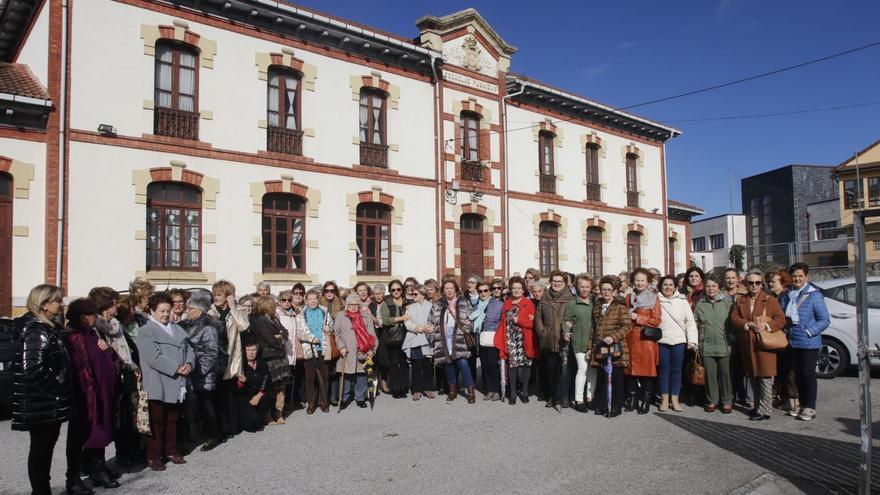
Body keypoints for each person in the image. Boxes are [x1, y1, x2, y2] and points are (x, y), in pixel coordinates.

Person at [12, 285, 77, 495]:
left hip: (49, 402)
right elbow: (33, 369)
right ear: (44, 303)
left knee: (45, 449)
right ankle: (41, 491)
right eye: (57, 300)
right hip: (42, 402)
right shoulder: (36, 329)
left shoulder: (47, 327)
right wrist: (58, 388)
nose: (61, 304)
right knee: (40, 450)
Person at [63, 298, 122, 490]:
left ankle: (98, 468)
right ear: (83, 317)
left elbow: (106, 355)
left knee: (101, 432)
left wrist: (109, 350)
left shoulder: (91, 332)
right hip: (84, 397)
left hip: (102, 394)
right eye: (92, 315)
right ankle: (73, 477)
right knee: (79, 437)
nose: (95, 318)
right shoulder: (72, 337)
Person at [137, 291, 194, 471]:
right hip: (158, 382)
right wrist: (177, 368)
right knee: (157, 421)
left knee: (173, 419)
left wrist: (189, 364)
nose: (166, 314)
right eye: (162, 311)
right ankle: (154, 455)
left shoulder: (177, 328)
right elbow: (153, 357)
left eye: (168, 311)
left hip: (178, 382)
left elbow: (190, 349)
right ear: (152, 311)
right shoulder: (146, 331)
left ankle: (170, 450)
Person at [89, 286, 142, 467]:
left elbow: (126, 350)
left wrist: (132, 366)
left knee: (127, 417)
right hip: (108, 379)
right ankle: (96, 465)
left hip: (125, 374)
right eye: (113, 304)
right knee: (112, 420)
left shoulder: (116, 324)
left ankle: (126, 453)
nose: (117, 307)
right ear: (105, 306)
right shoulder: (95, 326)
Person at [730, 270, 786, 421]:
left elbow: (781, 319)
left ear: (762, 284)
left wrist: (766, 326)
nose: (754, 286)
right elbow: (734, 318)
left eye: (757, 282)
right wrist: (746, 324)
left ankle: (765, 410)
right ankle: (757, 406)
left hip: (764, 344)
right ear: (746, 284)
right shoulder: (741, 300)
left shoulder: (770, 300)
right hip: (748, 344)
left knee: (766, 378)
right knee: (753, 376)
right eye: (751, 283)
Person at [778, 263, 829, 421]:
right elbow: (782, 316)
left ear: (807, 277)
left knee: (808, 374)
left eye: (800, 276)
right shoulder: (787, 294)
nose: (797, 279)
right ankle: (800, 404)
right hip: (792, 341)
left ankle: (810, 407)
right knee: (797, 374)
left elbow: (824, 320)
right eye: (794, 276)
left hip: (808, 342)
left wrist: (809, 331)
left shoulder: (815, 295)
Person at [207, 280, 249, 440]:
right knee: (217, 396)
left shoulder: (237, 311)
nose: (216, 297)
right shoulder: (211, 313)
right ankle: (219, 428)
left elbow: (244, 326)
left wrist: (233, 308)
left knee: (230, 395)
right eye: (215, 294)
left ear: (228, 296)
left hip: (231, 359)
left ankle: (231, 427)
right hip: (216, 360)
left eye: (219, 294)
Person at [180, 291, 220, 451]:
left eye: (190, 308)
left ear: (200, 310)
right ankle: (189, 436)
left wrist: (198, 370)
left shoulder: (208, 329)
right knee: (189, 408)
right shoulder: (184, 325)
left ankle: (212, 436)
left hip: (202, 375)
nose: (186, 311)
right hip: (187, 373)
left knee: (205, 406)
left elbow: (211, 353)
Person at [587, 275, 631, 417]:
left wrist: (613, 337)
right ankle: (602, 404)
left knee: (616, 378)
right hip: (600, 347)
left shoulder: (620, 307)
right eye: (603, 289)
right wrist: (590, 347)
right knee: (602, 378)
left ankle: (616, 406)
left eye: (609, 290)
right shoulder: (597, 307)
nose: (606, 292)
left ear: (614, 291)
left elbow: (627, 326)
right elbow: (593, 329)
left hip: (616, 348)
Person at [656, 275, 698, 412]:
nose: (667, 287)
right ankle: (664, 398)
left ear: (675, 287)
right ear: (660, 287)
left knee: (676, 371)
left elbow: (690, 322)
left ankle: (675, 398)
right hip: (662, 340)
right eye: (665, 285)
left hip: (679, 340)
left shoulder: (682, 301)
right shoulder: (656, 300)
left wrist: (692, 340)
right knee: (663, 370)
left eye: (670, 285)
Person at [431, 279, 477, 403]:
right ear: (443, 291)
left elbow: (471, 319)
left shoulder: (464, 301)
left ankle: (471, 391)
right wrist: (435, 331)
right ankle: (452, 391)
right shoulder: (437, 304)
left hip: (459, 338)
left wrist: (466, 328)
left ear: (456, 289)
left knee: (463, 363)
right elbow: (431, 321)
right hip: (444, 338)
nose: (449, 290)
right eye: (447, 288)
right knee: (448, 364)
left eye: (451, 288)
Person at [694, 275, 734, 414]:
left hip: (724, 343)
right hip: (706, 344)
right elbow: (695, 322)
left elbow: (733, 321)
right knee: (710, 375)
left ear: (719, 287)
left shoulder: (727, 302)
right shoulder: (700, 304)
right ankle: (712, 400)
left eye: (713, 286)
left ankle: (727, 401)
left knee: (725, 374)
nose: (711, 289)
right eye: (708, 286)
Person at [624, 268, 662, 415]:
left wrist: (638, 318)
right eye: (637, 280)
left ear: (647, 282)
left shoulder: (654, 297)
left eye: (642, 280)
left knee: (647, 372)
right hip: (630, 338)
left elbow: (656, 320)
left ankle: (645, 401)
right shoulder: (628, 297)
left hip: (646, 340)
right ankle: (632, 399)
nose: (639, 283)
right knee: (630, 371)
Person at [494, 276, 536, 405]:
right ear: (511, 290)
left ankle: (525, 392)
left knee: (526, 364)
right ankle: (512, 393)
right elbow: (503, 320)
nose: (516, 290)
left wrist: (521, 321)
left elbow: (533, 323)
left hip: (525, 338)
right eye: (514, 288)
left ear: (523, 290)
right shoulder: (507, 302)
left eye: (519, 288)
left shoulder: (529, 303)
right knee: (512, 366)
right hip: (511, 338)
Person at [249, 295, 290, 425]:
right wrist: (279, 338)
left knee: (282, 387)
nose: (275, 306)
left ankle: (279, 412)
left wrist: (280, 336)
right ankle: (267, 415)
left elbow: (285, 332)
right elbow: (270, 339)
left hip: (280, 357)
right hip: (269, 357)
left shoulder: (274, 319)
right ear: (267, 306)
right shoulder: (260, 320)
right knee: (270, 387)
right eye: (273, 304)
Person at [535, 270, 572, 408]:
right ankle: (552, 396)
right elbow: (538, 316)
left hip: (563, 340)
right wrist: (542, 331)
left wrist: (569, 329)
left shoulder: (570, 298)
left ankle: (564, 396)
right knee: (550, 371)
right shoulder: (545, 297)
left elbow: (573, 317)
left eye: (559, 281)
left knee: (564, 372)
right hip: (548, 339)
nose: (556, 284)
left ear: (564, 283)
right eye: (554, 281)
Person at [335, 294, 378, 408]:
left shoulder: (366, 316)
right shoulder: (340, 316)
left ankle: (360, 398)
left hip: (362, 350)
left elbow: (372, 335)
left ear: (359, 305)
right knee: (347, 376)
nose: (354, 307)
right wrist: (341, 347)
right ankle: (344, 398)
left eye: (356, 305)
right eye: (351, 305)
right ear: (347, 305)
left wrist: (371, 349)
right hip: (347, 351)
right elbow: (336, 334)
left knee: (362, 375)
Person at [296, 289, 334, 413]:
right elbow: (300, 332)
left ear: (318, 299)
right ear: (306, 301)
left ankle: (324, 401)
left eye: (315, 298)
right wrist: (311, 338)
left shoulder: (324, 311)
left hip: (323, 348)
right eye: (310, 299)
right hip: (309, 348)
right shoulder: (301, 314)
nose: (312, 301)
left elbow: (330, 325)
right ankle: (311, 403)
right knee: (310, 377)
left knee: (324, 376)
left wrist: (329, 329)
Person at [562, 274, 594, 412]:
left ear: (591, 287)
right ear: (577, 287)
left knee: (593, 371)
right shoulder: (572, 304)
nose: (585, 289)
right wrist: (566, 331)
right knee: (583, 368)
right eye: (582, 286)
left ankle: (590, 398)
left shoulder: (595, 302)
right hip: (579, 341)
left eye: (587, 286)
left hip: (593, 341)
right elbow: (566, 321)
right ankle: (579, 400)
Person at [403, 284, 436, 400]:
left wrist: (431, 328)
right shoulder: (410, 308)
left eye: (415, 294)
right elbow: (407, 323)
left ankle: (428, 388)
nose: (413, 296)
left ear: (422, 294)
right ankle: (416, 390)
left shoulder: (432, 306)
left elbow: (435, 320)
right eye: (411, 294)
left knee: (428, 364)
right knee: (416, 364)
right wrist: (418, 328)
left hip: (428, 338)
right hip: (415, 337)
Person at [380, 279, 411, 398]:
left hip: (407, 335)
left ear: (402, 290)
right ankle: (395, 388)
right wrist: (401, 318)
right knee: (393, 363)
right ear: (390, 291)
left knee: (404, 362)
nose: (396, 291)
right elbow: (386, 320)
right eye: (393, 290)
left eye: (398, 289)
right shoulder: (386, 303)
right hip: (392, 337)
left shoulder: (408, 302)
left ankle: (404, 387)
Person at [476, 281, 504, 400]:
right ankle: (489, 389)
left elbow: (501, 322)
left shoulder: (498, 304)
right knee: (485, 365)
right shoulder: (476, 305)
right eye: (480, 291)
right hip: (480, 338)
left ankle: (496, 390)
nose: (483, 293)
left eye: (485, 290)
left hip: (492, 338)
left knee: (493, 365)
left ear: (490, 292)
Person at [236, 339, 271, 432]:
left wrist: (259, 395)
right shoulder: (240, 366)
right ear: (244, 351)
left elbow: (266, 381)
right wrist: (241, 382)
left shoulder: (262, 363)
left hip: (259, 394)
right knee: (250, 425)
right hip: (246, 397)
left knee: (268, 397)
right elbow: (237, 390)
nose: (251, 353)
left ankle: (263, 416)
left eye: (253, 350)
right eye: (248, 350)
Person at [275, 289, 300, 412]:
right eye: (283, 300)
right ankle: (279, 409)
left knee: (290, 379)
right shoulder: (277, 314)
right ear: (279, 302)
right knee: (281, 382)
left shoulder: (293, 314)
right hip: (282, 352)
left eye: (289, 300)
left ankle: (287, 405)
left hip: (292, 352)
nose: (286, 302)